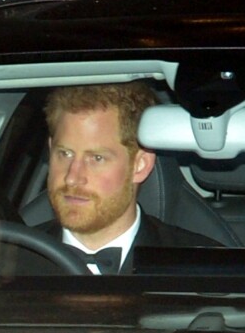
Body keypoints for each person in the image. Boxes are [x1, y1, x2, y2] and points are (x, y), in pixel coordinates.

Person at [40, 81, 220, 275]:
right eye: (64, 154)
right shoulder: (10, 260)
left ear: (140, 165)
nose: (72, 178)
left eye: (97, 158)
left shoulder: (198, 267)